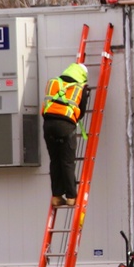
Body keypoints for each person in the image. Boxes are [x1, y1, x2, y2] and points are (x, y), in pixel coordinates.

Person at [41, 62, 89, 207]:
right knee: (67, 162)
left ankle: (56, 196)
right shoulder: (80, 88)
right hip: (65, 126)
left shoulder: (53, 82)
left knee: (55, 161)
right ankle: (71, 197)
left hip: (48, 125)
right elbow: (81, 111)